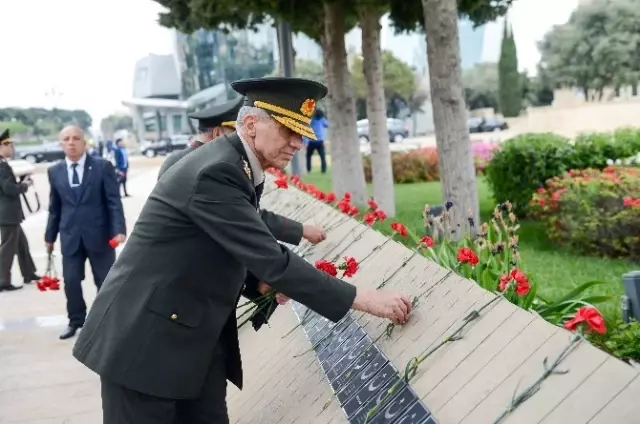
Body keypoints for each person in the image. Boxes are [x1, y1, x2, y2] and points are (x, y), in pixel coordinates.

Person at [72, 77, 412, 424]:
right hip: (144, 345)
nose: (297, 143)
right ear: (251, 124)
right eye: (287, 131)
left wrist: (256, 283)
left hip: (188, 337)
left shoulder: (236, 164)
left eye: (301, 133)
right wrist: (366, 300)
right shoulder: (218, 171)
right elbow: (273, 260)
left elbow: (219, 244)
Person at [158, 96, 326, 249]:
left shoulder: (211, 163)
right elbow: (241, 220)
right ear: (218, 133)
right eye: (235, 134)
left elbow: (244, 214)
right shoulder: (211, 169)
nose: (241, 139)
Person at [44, 125, 127, 340]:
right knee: (71, 280)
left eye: (76, 138)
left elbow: (113, 201)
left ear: (84, 142)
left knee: (106, 282)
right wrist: (49, 237)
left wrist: (118, 229)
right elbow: (55, 207)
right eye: (66, 139)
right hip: (70, 236)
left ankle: (106, 322)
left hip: (99, 235)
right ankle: (76, 321)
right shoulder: (55, 171)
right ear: (61, 144)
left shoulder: (102, 167)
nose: (71, 142)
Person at [158, 96, 244, 178]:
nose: (238, 137)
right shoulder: (221, 165)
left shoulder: (173, 161)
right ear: (217, 133)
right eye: (234, 132)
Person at [0, 129, 40, 292]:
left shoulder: (3, 164)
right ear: (2, 146)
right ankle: (2, 280)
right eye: (11, 146)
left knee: (21, 244)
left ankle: (28, 272)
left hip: (9, 213)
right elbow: (8, 189)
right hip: (6, 213)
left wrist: (20, 182)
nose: (13, 149)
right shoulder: (1, 166)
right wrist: (24, 185)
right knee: (8, 248)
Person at [305, 108, 328, 173]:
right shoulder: (322, 119)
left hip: (311, 141)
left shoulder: (311, 120)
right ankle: (324, 170)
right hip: (320, 141)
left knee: (308, 156)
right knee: (322, 156)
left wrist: (305, 141)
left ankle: (308, 169)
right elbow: (327, 125)